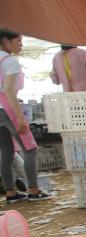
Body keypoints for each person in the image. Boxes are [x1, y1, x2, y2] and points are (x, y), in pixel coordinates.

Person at [0, 29, 49, 203]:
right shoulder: (10, 61)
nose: (21, 45)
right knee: (30, 148)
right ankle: (34, 190)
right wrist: (20, 117)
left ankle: (11, 192)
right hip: (8, 108)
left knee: (6, 152)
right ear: (6, 41)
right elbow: (8, 90)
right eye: (18, 41)